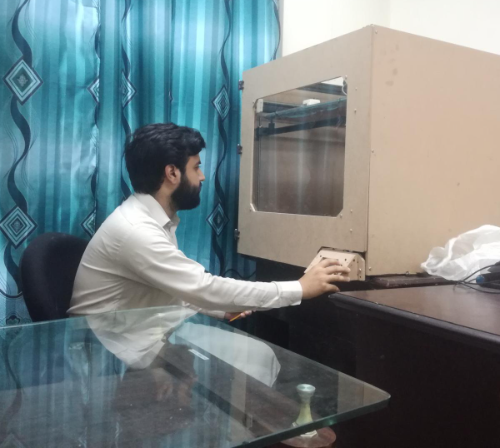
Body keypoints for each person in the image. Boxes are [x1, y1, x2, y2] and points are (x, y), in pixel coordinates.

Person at [68, 123, 350, 318]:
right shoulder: (136, 231)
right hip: (105, 356)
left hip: (125, 338)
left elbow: (172, 288)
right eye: (196, 167)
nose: (202, 177)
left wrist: (217, 309)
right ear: (172, 173)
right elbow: (202, 286)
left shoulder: (149, 218)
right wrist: (299, 288)